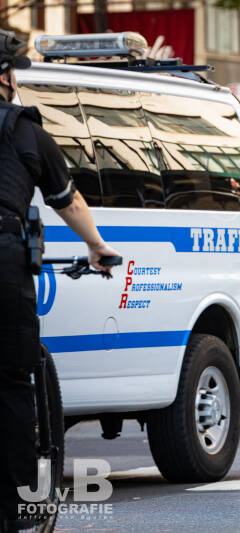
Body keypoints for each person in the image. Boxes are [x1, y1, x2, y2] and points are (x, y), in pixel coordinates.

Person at [0, 30, 120, 533]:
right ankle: (17, 508)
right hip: (4, 258)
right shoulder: (23, 129)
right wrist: (97, 246)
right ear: (4, 78)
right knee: (11, 380)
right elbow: (66, 199)